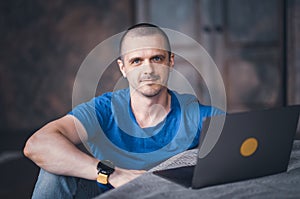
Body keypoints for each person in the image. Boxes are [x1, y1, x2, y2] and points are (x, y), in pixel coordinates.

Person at [23, 23, 222, 198]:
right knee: (54, 171)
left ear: (170, 62)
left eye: (157, 58)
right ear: (123, 68)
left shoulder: (196, 114)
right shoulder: (104, 109)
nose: (148, 70)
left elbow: (243, 147)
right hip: (107, 193)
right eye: (136, 61)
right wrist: (113, 173)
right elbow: (37, 144)